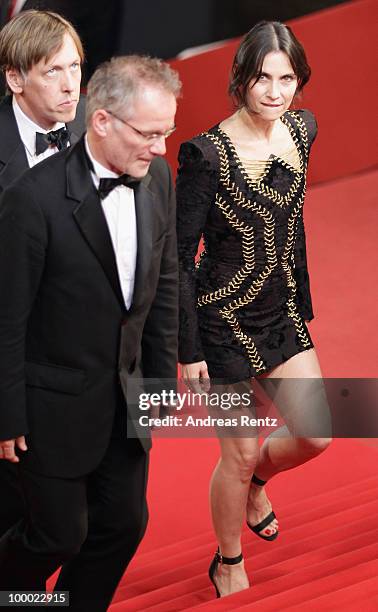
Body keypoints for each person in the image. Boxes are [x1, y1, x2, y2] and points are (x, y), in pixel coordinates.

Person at [0, 54, 180, 610]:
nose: (161, 148)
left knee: (123, 526)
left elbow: (166, 281)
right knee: (58, 535)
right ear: (101, 121)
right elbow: (7, 321)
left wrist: (158, 383)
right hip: (48, 407)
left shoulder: (158, 180)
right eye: (149, 134)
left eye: (167, 132)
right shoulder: (33, 200)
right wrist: (6, 417)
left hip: (124, 399)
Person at [176, 21, 331, 598]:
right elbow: (178, 257)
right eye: (262, 77)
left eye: (287, 78)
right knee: (236, 454)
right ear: (240, 79)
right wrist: (187, 347)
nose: (274, 90)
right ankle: (227, 559)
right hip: (222, 320)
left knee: (315, 436)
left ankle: (258, 483)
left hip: (282, 311)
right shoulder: (204, 156)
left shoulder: (303, 129)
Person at [0, 9, 86, 537]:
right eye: (53, 71)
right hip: (11, 356)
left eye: (75, 67)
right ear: (15, 79)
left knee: (94, 523)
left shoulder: (94, 133)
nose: (71, 84)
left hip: (74, 364)